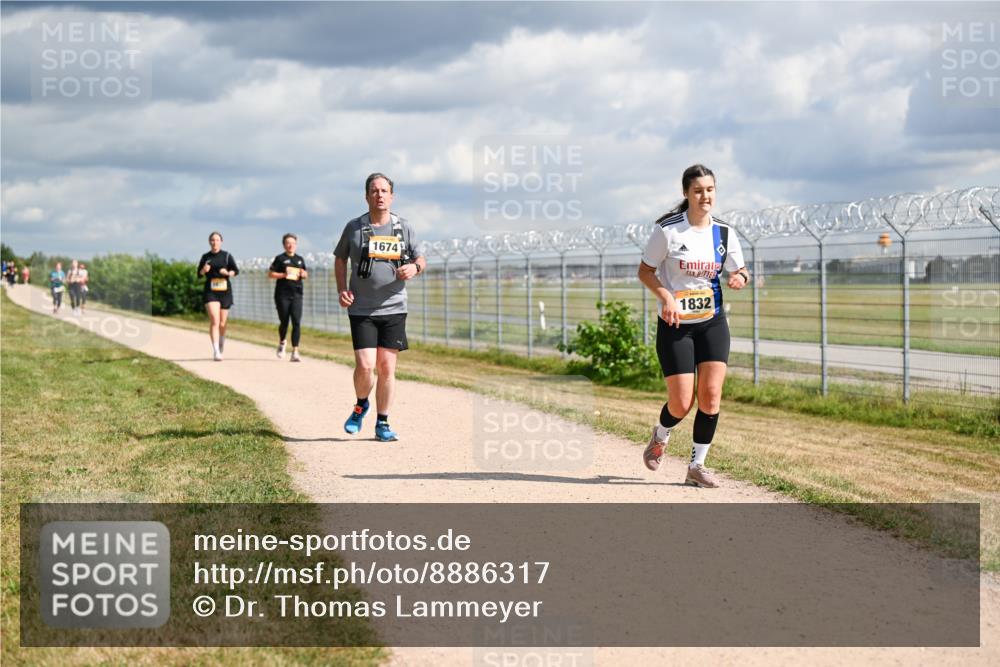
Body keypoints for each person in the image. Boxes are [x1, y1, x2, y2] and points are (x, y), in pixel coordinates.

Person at [637, 164, 750, 488]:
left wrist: (739, 276)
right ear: (686, 193)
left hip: (712, 322)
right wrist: (666, 297)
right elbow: (645, 271)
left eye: (710, 190)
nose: (705, 196)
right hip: (676, 326)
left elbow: (742, 270)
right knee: (682, 403)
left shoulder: (724, 233)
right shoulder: (669, 231)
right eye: (698, 190)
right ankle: (661, 434)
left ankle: (696, 466)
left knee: (711, 396)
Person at [334, 172, 426, 442]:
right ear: (366, 196)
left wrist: (415, 267)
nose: (380, 195)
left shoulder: (404, 228)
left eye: (384, 191)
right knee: (365, 365)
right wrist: (341, 290)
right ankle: (361, 404)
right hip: (362, 308)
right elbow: (340, 260)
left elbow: (421, 257)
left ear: (392, 196)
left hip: (394, 307)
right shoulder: (354, 228)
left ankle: (383, 423)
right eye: (374, 191)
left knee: (386, 368)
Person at [198, 231, 239, 361]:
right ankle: (216, 350)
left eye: (217, 240)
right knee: (214, 320)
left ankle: (221, 341)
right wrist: (204, 270)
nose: (215, 242)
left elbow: (235, 270)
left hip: (225, 291)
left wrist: (228, 273)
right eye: (212, 240)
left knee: (222, 323)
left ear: (221, 241)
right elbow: (199, 274)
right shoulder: (205, 257)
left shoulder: (226, 256)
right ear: (209, 242)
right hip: (211, 291)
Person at [268, 233, 308, 362]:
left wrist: (303, 273)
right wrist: (284, 275)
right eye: (288, 243)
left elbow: (305, 274)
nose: (290, 245)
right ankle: (282, 342)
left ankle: (295, 351)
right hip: (282, 294)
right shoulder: (280, 259)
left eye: (293, 243)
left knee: (296, 322)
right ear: (284, 245)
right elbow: (271, 274)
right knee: (284, 321)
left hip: (297, 294)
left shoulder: (300, 259)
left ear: (296, 245)